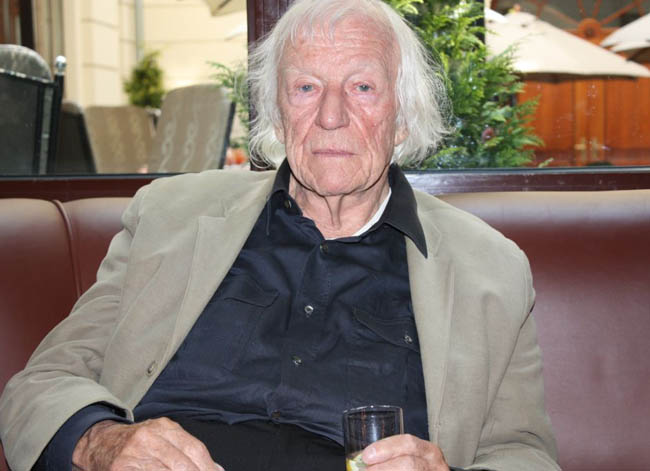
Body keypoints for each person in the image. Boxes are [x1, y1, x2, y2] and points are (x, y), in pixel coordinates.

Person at [0, 0, 560, 469]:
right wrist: (103, 442)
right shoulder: (168, 217)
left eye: (363, 86)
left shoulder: (490, 268)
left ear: (404, 116)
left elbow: (524, 453)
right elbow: (43, 383)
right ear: (275, 111)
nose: (332, 115)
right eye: (306, 87)